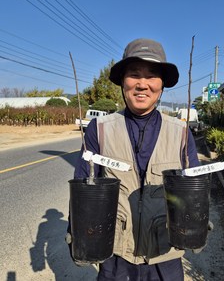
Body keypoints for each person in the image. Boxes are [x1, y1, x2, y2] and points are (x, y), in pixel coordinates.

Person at [71, 38, 201, 280]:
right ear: (123, 81)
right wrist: (76, 232)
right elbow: (82, 186)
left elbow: (194, 188)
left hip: (165, 255)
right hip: (115, 255)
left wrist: (198, 222)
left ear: (162, 85)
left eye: (152, 75)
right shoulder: (99, 129)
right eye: (134, 74)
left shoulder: (181, 132)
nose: (143, 84)